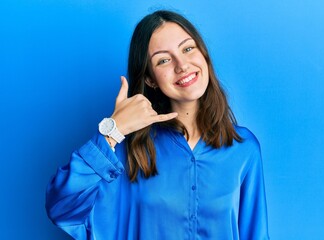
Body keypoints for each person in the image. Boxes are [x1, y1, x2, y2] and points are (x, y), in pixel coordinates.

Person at [46, 10, 270, 240]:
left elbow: (256, 234)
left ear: (203, 54)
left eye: (188, 48)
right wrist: (113, 132)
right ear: (150, 79)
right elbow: (62, 208)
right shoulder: (125, 151)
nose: (182, 64)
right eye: (163, 60)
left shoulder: (243, 148)